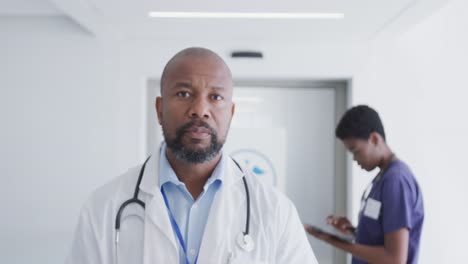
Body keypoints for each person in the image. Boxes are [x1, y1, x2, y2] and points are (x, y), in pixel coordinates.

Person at [66, 47, 317, 264]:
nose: (200, 110)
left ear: (230, 112)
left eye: (215, 97)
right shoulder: (105, 207)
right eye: (184, 94)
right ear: (159, 108)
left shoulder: (275, 211)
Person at [305, 105, 424, 264]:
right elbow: (382, 238)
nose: (354, 159)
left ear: (374, 139)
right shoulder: (382, 178)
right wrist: (354, 232)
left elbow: (395, 259)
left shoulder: (396, 181)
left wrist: (329, 239)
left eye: (355, 151)